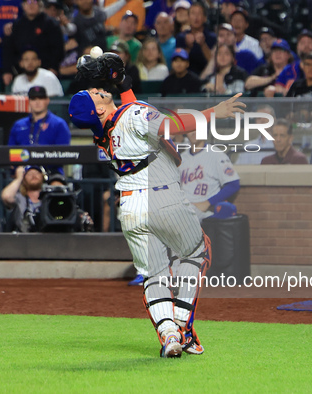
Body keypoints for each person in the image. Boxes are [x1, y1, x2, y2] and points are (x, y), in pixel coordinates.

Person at [68, 54, 245, 357]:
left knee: (155, 273)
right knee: (196, 251)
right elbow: (172, 126)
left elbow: (129, 108)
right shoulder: (132, 116)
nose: (100, 90)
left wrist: (121, 82)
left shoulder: (103, 131)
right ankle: (184, 325)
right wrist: (216, 110)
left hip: (131, 207)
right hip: (163, 197)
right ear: (98, 108)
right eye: (96, 93)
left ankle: (169, 335)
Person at [178, 130, 240, 221]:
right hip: (183, 208)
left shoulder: (217, 155)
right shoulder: (181, 158)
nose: (194, 132)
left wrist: (207, 203)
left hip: (205, 213)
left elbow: (233, 184)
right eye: (191, 130)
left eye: (198, 129)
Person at [8, 86, 71, 176]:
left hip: (52, 173)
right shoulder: (18, 125)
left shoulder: (59, 124)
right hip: (23, 174)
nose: (37, 102)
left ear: (47, 100)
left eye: (41, 98)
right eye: (33, 99)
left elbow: (63, 154)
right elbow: (10, 153)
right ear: (28, 101)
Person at [2, 0, 65, 85]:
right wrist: (7, 71)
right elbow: (8, 50)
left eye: (34, 2)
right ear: (23, 6)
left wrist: (53, 67)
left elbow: (58, 48)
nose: (31, 5)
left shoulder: (50, 24)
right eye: (28, 2)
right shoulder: (17, 26)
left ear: (40, 5)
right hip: (21, 74)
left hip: (46, 73)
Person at [1, 165, 48, 232]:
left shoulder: (48, 197)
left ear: (42, 177)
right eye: (30, 174)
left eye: (37, 173)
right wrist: (19, 178)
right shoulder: (20, 198)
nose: (34, 176)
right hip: (24, 238)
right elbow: (6, 196)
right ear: (24, 179)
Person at [175, 2, 217, 75]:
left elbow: (213, 63)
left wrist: (203, 45)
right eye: (193, 13)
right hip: (187, 77)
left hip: (207, 76)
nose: (196, 17)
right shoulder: (181, 37)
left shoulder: (212, 37)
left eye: (199, 13)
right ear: (188, 17)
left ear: (205, 18)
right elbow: (178, 64)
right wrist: (188, 46)